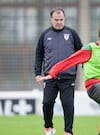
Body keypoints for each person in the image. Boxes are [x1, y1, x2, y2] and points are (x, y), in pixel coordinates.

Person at [34, 7, 83, 135]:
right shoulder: (45, 35)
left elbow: (82, 53)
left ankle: (68, 131)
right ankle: (48, 128)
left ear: (64, 19)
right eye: (56, 20)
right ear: (51, 19)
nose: (59, 22)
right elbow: (39, 54)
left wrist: (85, 69)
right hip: (50, 77)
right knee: (47, 102)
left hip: (68, 77)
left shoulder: (72, 34)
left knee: (68, 104)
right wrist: (38, 73)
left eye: (61, 19)